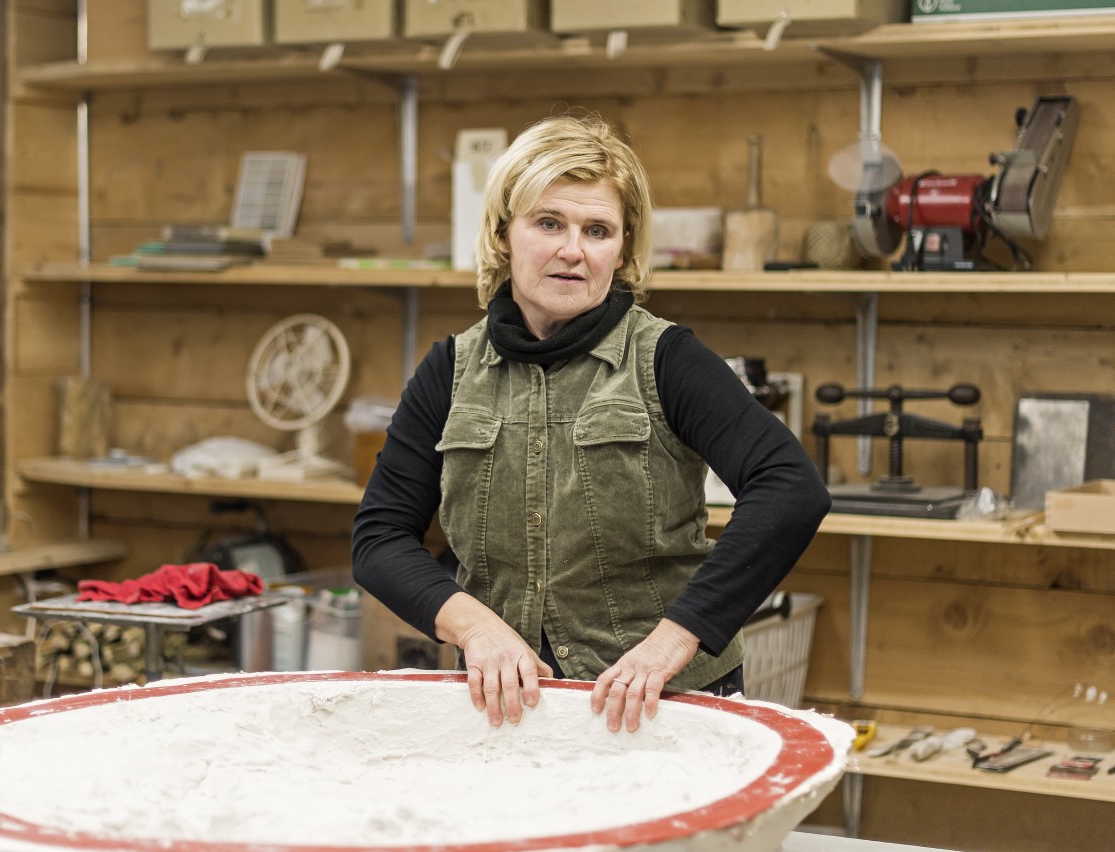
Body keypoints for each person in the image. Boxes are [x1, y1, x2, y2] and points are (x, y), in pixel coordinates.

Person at [352, 113, 830, 733]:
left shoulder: (666, 359)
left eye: (597, 230)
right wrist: (475, 627)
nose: (573, 250)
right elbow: (379, 538)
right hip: (507, 706)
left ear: (623, 249)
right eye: (548, 222)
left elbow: (790, 487)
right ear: (504, 233)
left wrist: (676, 640)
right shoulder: (450, 370)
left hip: (662, 708)